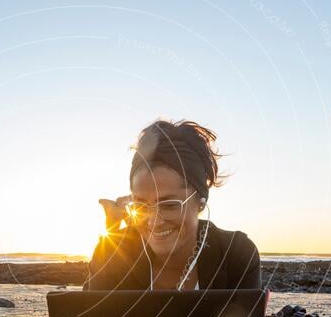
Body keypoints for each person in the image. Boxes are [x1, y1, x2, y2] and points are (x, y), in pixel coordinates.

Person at [83, 119, 261, 291]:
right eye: (141, 206)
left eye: (169, 205)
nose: (154, 222)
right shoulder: (113, 253)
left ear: (200, 203)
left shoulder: (235, 253)